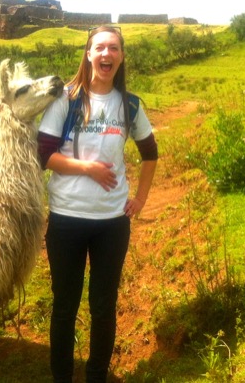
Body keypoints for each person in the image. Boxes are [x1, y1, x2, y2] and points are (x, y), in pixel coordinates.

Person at [37, 25, 158, 382]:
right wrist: (87, 168)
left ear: (121, 57)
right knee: (64, 307)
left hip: (111, 223)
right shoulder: (66, 99)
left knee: (104, 307)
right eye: (100, 48)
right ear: (88, 54)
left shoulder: (130, 104)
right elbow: (44, 155)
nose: (107, 55)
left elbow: (150, 153)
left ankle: (96, 377)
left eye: (114, 49)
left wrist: (140, 199)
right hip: (66, 219)